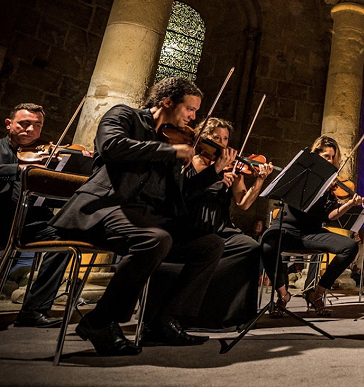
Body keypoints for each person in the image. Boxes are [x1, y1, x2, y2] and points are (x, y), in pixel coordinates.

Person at [50, 77, 228, 356]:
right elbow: (110, 146)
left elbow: (182, 195)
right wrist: (169, 151)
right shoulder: (124, 116)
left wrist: (213, 172)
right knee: (155, 240)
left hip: (148, 216)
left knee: (210, 244)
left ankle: (163, 320)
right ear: (167, 101)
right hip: (106, 208)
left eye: (195, 112)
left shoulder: (178, 142)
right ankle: (100, 321)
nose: (194, 118)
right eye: (190, 109)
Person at [146, 118, 273, 329]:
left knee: (250, 247)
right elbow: (182, 196)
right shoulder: (189, 161)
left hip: (221, 226)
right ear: (203, 138)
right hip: (193, 224)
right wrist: (213, 176)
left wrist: (259, 181)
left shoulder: (231, 167)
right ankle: (189, 312)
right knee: (210, 246)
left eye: (225, 139)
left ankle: (226, 313)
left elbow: (243, 203)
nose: (222, 143)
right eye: (216, 138)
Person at [1, 103, 87, 328]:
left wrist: (82, 159)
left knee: (65, 241)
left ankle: (33, 310)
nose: (30, 130)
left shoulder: (47, 155)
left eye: (37, 126)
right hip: (2, 218)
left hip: (30, 222)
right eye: (24, 124)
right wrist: (17, 169)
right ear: (9, 124)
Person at [260, 135, 361, 317]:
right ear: (315, 155)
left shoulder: (331, 185)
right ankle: (283, 295)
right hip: (287, 228)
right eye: (324, 156)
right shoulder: (300, 175)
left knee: (350, 246)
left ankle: (317, 293)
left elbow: (329, 216)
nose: (328, 160)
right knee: (268, 243)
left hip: (312, 233)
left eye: (331, 157)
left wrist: (349, 204)